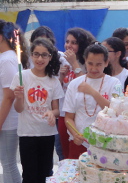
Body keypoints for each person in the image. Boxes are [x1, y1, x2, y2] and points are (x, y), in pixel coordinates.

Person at [10, 37, 64, 183]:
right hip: (28, 134)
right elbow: (19, 109)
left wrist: (53, 113)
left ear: (50, 57)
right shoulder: (21, 77)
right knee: (29, 179)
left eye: (44, 54)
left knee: (44, 178)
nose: (40, 58)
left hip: (47, 134)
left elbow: (57, 109)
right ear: (31, 55)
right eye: (36, 54)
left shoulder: (53, 81)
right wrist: (18, 97)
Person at [63, 42, 121, 159]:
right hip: (80, 142)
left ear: (106, 63)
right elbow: (68, 117)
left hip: (106, 143)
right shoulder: (74, 84)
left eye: (99, 64)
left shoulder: (114, 83)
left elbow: (116, 112)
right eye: (90, 64)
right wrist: (75, 134)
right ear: (85, 61)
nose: (94, 68)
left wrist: (93, 92)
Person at [0, 20, 29, 183]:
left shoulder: (7, 60)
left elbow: (9, 97)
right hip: (6, 120)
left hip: (8, 121)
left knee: (9, 164)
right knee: (7, 162)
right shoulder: (6, 58)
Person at [58, 27, 95, 159]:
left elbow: (86, 85)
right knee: (65, 155)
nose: (69, 45)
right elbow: (57, 90)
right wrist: (61, 77)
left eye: (74, 42)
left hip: (81, 116)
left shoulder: (88, 62)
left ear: (81, 44)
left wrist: (74, 63)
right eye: (67, 41)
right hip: (64, 114)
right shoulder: (61, 60)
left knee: (80, 156)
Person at [30, 25, 65, 160]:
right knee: (34, 153)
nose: (42, 45)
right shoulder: (30, 59)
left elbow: (61, 85)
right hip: (36, 109)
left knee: (56, 148)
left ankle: (52, 177)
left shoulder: (60, 58)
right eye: (38, 41)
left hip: (55, 110)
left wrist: (61, 78)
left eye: (46, 41)